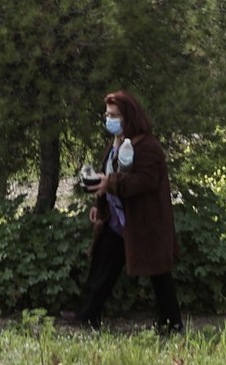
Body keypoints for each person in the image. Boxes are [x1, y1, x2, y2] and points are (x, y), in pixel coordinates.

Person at [67, 92, 181, 334]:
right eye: (107, 115)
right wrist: (100, 204)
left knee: (158, 272)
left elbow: (145, 181)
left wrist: (109, 184)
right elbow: (107, 174)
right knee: (102, 264)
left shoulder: (147, 146)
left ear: (129, 116)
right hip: (117, 219)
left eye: (115, 115)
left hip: (144, 222)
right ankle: (88, 315)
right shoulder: (117, 142)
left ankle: (172, 323)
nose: (110, 120)